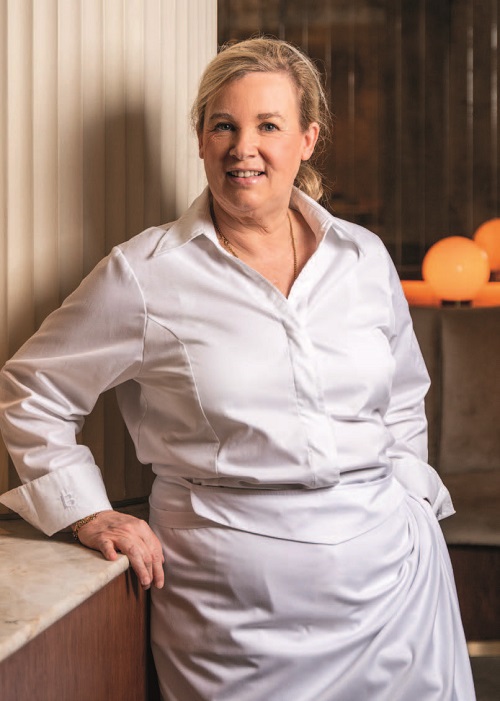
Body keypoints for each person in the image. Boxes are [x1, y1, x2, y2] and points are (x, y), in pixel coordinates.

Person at [0, 37, 475, 701]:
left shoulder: (364, 257)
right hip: (237, 612)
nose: (242, 147)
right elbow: (33, 390)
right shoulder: (146, 274)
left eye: (268, 126)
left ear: (308, 139)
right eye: (224, 125)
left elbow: (401, 396)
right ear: (200, 139)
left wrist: (411, 497)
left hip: (395, 588)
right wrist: (87, 513)